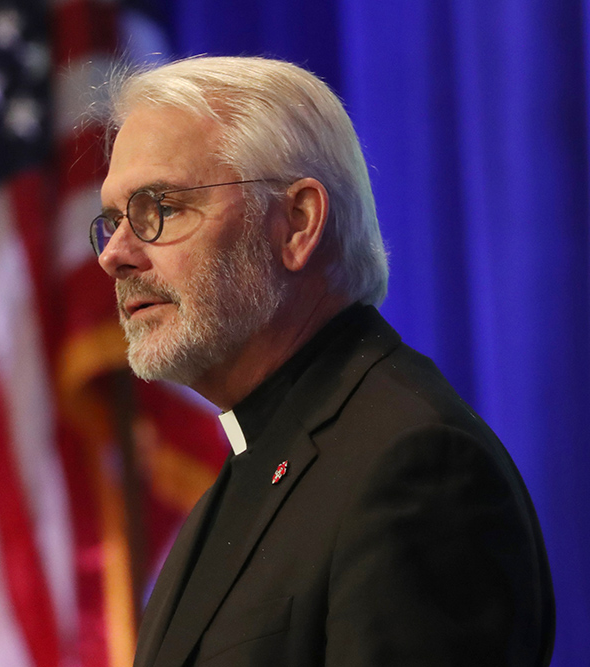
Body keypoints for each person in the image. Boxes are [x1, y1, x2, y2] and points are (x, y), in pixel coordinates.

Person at [89, 56, 554, 666]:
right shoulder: (251, 465)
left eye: (161, 208)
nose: (115, 255)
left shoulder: (416, 468)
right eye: (113, 220)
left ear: (298, 223)